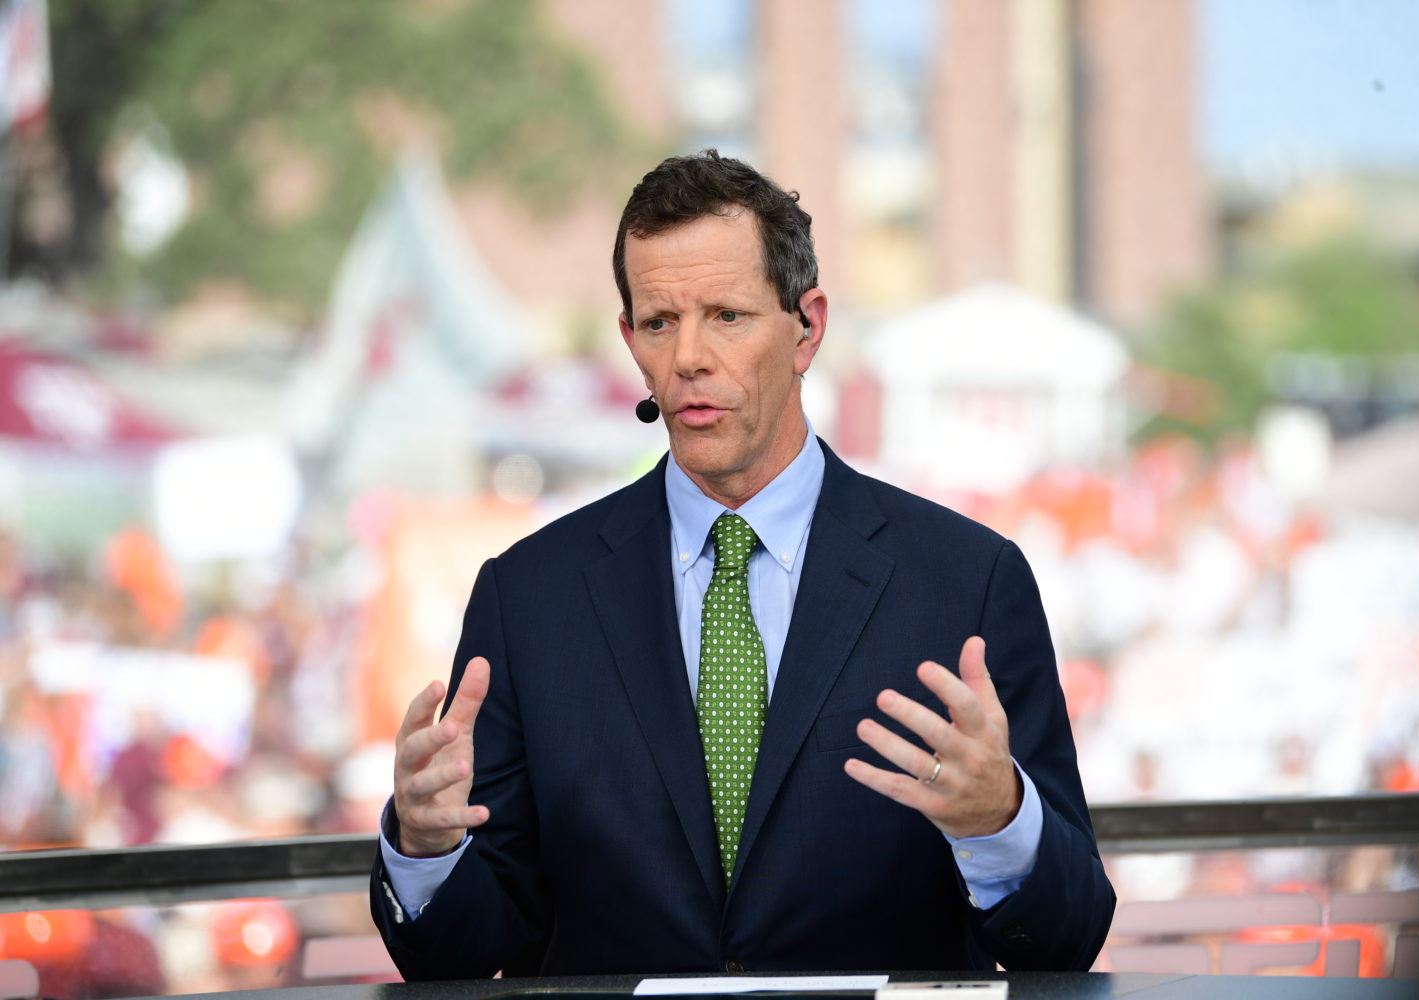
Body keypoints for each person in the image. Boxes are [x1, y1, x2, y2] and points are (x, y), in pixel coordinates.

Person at [370, 150, 1114, 978]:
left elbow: (1070, 936)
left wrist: (1000, 825)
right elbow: (471, 953)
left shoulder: (966, 582)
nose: (688, 355)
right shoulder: (531, 597)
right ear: (631, 342)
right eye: (659, 322)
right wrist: (425, 846)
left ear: (808, 327)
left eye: (725, 315)